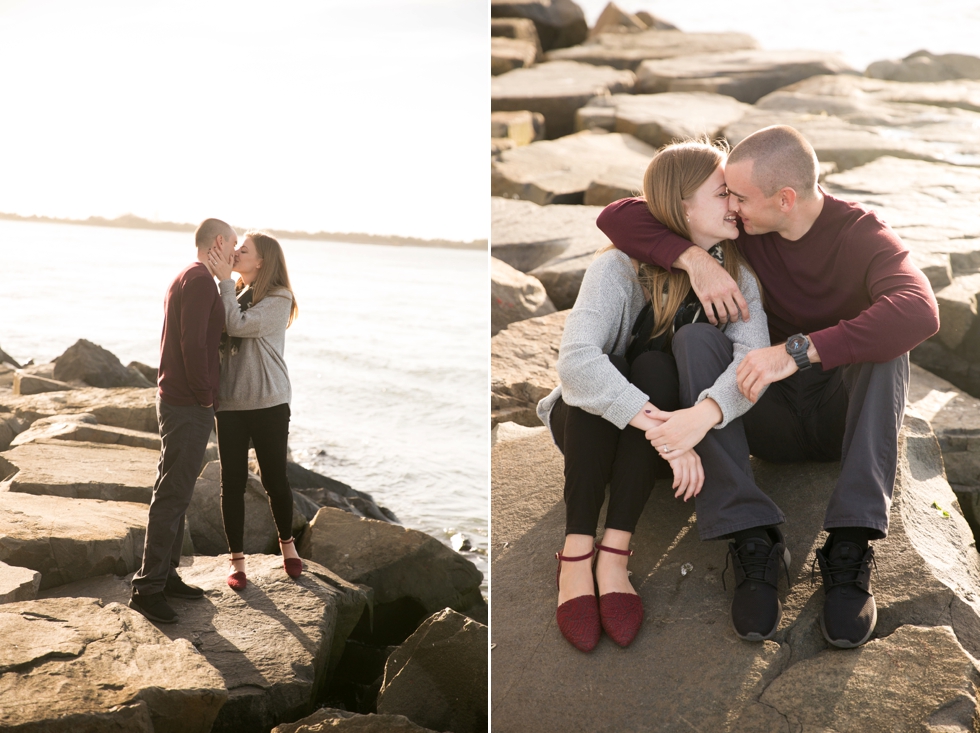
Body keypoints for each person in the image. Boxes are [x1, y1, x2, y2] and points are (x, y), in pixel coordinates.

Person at [596, 125, 940, 648]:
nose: (730, 208)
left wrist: (799, 350)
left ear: (785, 198)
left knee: (888, 347)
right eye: (726, 194)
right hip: (761, 412)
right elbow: (616, 214)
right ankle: (752, 537)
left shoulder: (863, 235)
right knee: (694, 340)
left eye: (739, 197)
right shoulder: (749, 231)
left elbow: (920, 310)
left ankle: (849, 544)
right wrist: (692, 260)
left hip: (835, 418)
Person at [537, 139, 770, 652]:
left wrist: (697, 422)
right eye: (723, 193)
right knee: (616, 365)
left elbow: (751, 367)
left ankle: (615, 553)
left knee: (655, 366)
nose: (735, 204)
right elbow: (576, 362)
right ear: (682, 206)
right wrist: (669, 432)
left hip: (677, 453)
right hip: (591, 432)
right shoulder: (617, 268)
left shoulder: (739, 276)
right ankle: (577, 554)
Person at [130, 218, 236, 624]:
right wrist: (206, 396)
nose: (235, 251)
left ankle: (167, 575)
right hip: (187, 404)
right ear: (220, 242)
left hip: (177, 400)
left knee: (173, 490)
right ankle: (148, 588)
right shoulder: (201, 281)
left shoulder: (188, 276)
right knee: (173, 494)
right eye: (234, 243)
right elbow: (193, 345)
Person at [206, 232, 301, 589]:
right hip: (230, 403)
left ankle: (288, 548)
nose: (235, 252)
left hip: (268, 402)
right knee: (231, 483)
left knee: (276, 480)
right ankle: (237, 561)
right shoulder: (234, 293)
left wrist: (225, 284)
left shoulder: (279, 298)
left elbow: (238, 325)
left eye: (243, 250)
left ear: (261, 262)